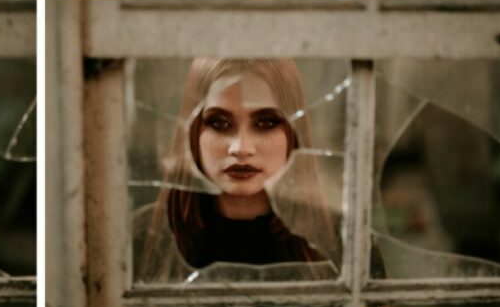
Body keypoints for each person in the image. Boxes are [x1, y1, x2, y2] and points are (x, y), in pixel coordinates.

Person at [136, 58, 345, 282]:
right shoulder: (142, 236)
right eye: (219, 123)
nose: (241, 148)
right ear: (193, 130)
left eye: (265, 123)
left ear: (293, 131)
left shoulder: (344, 242)